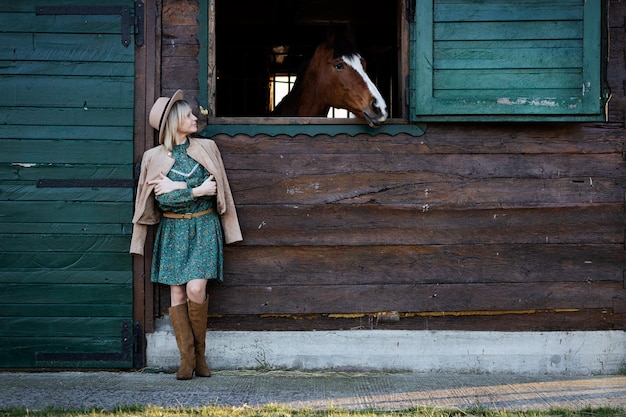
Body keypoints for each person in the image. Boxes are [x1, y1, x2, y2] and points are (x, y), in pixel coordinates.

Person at [130, 90, 242, 380]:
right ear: (173, 122)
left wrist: (176, 186)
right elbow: (162, 201)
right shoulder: (152, 158)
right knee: (177, 291)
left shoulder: (207, 148)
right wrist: (192, 189)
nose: (195, 118)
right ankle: (187, 360)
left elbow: (213, 190)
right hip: (172, 229)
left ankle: (200, 354)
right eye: (188, 115)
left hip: (204, 226)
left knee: (195, 289)